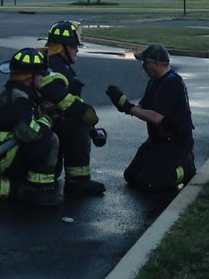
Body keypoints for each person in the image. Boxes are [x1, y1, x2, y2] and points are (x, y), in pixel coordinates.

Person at [0, 47, 61, 206]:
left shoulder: (18, 93)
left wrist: (44, 108)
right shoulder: (19, 99)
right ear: (29, 77)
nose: (42, 78)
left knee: (43, 140)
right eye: (39, 75)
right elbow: (29, 133)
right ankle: (38, 191)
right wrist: (47, 119)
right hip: (3, 157)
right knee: (50, 140)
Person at [106, 43, 196, 193]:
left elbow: (157, 117)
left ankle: (186, 167)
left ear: (156, 63)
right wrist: (125, 105)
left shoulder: (172, 83)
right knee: (131, 176)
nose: (143, 66)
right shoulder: (154, 81)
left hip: (175, 143)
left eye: (145, 62)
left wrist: (130, 108)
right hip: (157, 141)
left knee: (154, 183)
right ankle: (162, 167)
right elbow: (144, 108)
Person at [39, 20, 106, 195]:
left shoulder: (56, 64)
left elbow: (70, 101)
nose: (77, 49)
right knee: (77, 127)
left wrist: (92, 129)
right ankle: (78, 181)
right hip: (45, 127)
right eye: (73, 46)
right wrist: (85, 113)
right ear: (62, 47)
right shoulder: (54, 67)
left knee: (79, 122)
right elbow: (60, 98)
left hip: (47, 127)